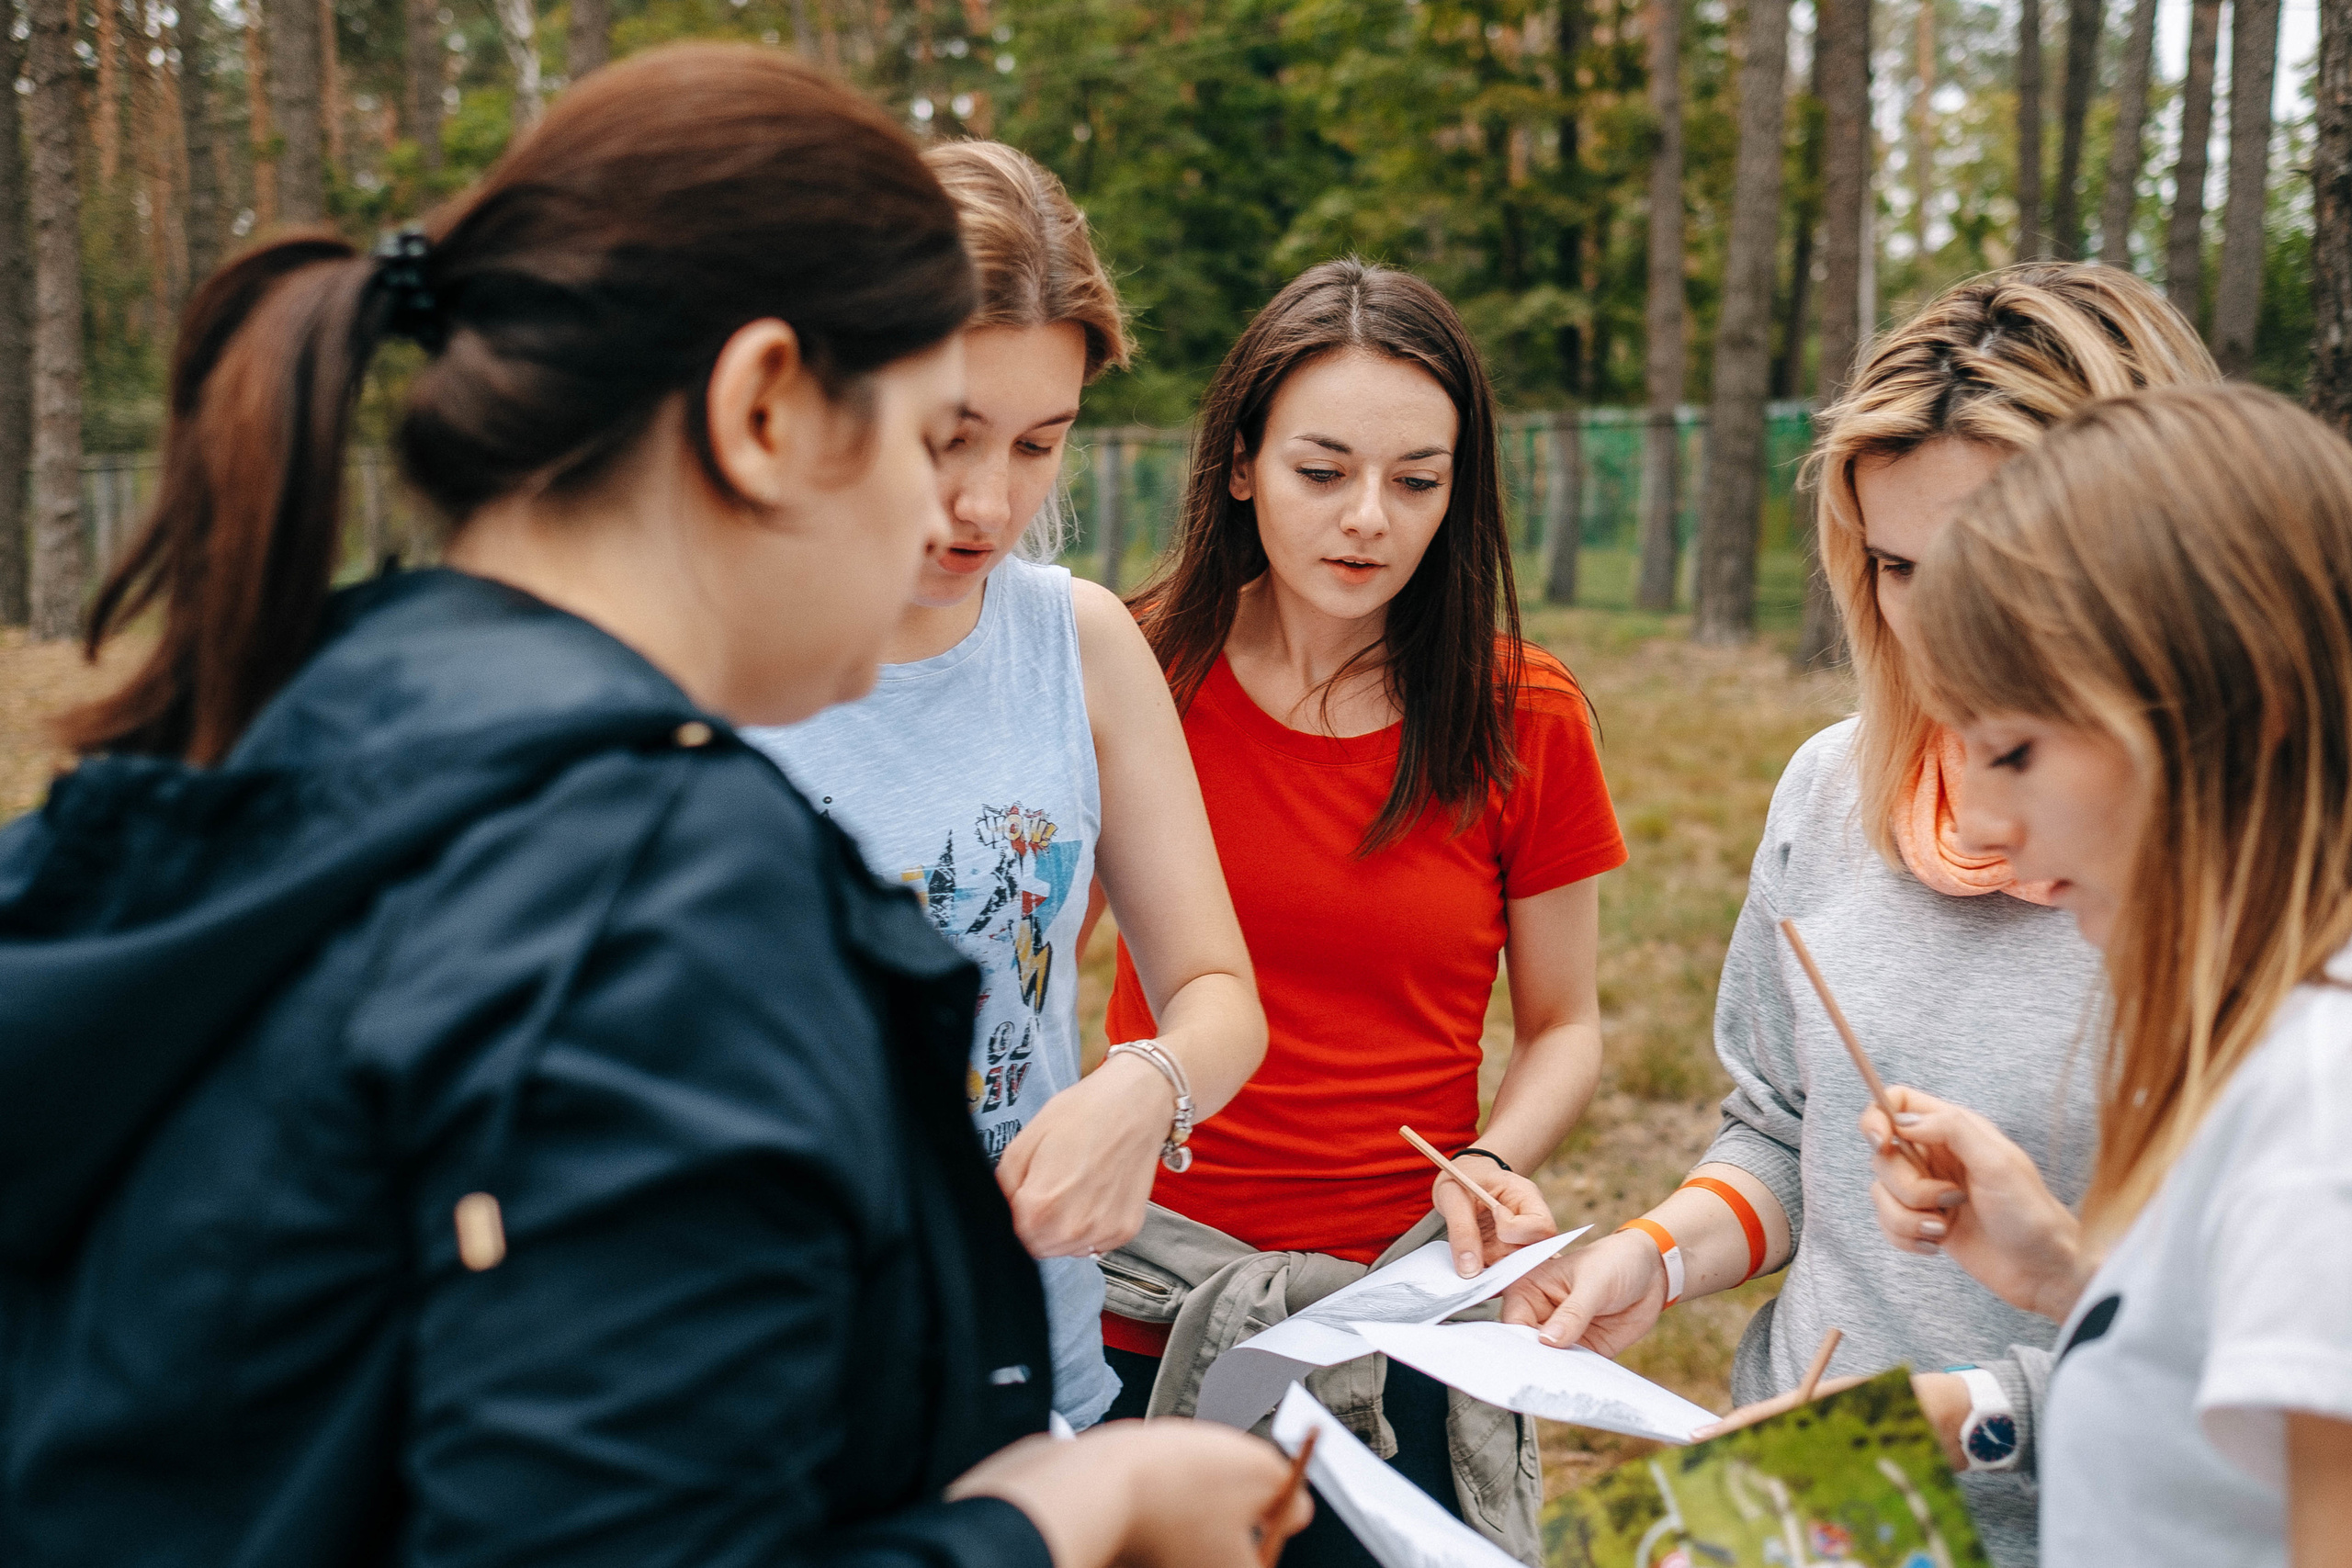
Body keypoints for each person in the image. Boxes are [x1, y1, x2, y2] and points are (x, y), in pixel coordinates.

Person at [0, 46, 1303, 1568]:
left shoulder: (311, 705)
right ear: (762, 407)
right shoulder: (657, 888)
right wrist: (1080, 1510)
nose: (962, 514)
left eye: (1028, 446)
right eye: (918, 436)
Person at [1500, 263, 2218, 1566]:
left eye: (1998, 569)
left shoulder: (2267, 902)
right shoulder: (1835, 788)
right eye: (1896, 566)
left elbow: (2257, 1368)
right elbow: (1785, 1131)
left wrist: (1952, 1421)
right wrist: (1658, 1259)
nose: (1938, 631)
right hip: (1809, 1512)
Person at [1098, 258, 1624, 1563]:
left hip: (1398, 1320)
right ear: (1240, 465)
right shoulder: (1127, 669)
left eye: (1416, 480)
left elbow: (1565, 1025)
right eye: (1322, 472)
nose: (1368, 521)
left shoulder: (1528, 715)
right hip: (1140, 1301)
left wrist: (1498, 1164)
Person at [745, 141, 1265, 1433]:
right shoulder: (710, 660)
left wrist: (1145, 1090)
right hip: (769, 1387)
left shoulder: (1076, 643)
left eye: (1041, 444)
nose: (989, 503)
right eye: (948, 437)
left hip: (1028, 1371)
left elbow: (1221, 997)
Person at [1859, 382, 2352, 1565]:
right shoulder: (2279, 1055)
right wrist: (2075, 1277)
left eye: (2016, 750)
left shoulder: (2318, 1110)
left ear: (2244, 711)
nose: (1976, 815)